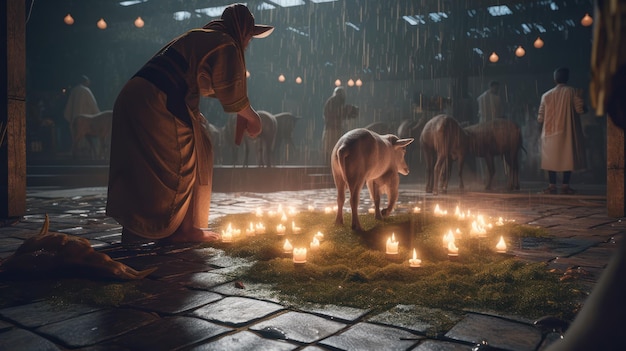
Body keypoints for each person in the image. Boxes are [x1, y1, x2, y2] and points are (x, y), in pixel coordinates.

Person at [106, 3, 274, 244]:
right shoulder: (226, 42)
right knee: (188, 158)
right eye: (250, 36)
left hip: (135, 97)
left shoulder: (201, 37)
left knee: (142, 167)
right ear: (243, 30)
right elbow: (232, 96)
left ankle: (139, 229)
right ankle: (183, 229)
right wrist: (253, 118)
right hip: (158, 99)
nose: (248, 43)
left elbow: (204, 83)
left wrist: (238, 109)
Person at [537, 67, 586, 194]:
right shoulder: (572, 92)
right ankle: (565, 185)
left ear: (555, 79)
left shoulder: (546, 95)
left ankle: (552, 185)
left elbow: (540, 117)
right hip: (566, 131)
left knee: (550, 159)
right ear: (567, 78)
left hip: (549, 132)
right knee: (567, 158)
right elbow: (580, 110)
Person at [321, 86, 358, 164]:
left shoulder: (334, 102)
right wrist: (347, 111)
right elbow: (334, 114)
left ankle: (330, 163)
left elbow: (339, 114)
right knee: (332, 148)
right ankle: (330, 163)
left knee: (333, 148)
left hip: (334, 129)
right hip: (332, 129)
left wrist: (347, 111)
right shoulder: (334, 102)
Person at [63, 75, 100, 148]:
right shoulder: (86, 90)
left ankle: (77, 152)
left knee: (77, 136)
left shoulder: (74, 91)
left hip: (76, 119)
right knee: (85, 136)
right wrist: (99, 115)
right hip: (85, 120)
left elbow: (69, 106)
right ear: (85, 82)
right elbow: (93, 105)